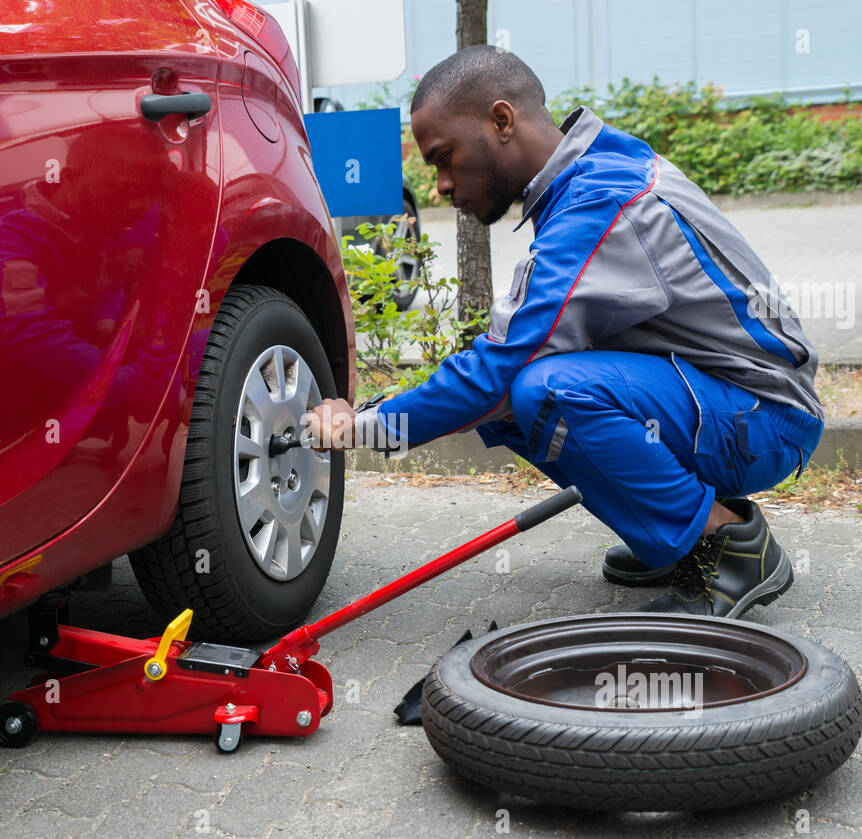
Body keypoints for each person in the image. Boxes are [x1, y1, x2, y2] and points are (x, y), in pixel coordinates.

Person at [304, 46, 826, 620]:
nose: (441, 185)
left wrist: (367, 428)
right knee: (521, 392)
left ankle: (725, 546)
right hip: (723, 397)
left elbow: (500, 370)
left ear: (501, 121)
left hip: (767, 415)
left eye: (444, 158)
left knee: (543, 390)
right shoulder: (584, 176)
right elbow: (511, 354)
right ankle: (670, 535)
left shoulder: (599, 200)